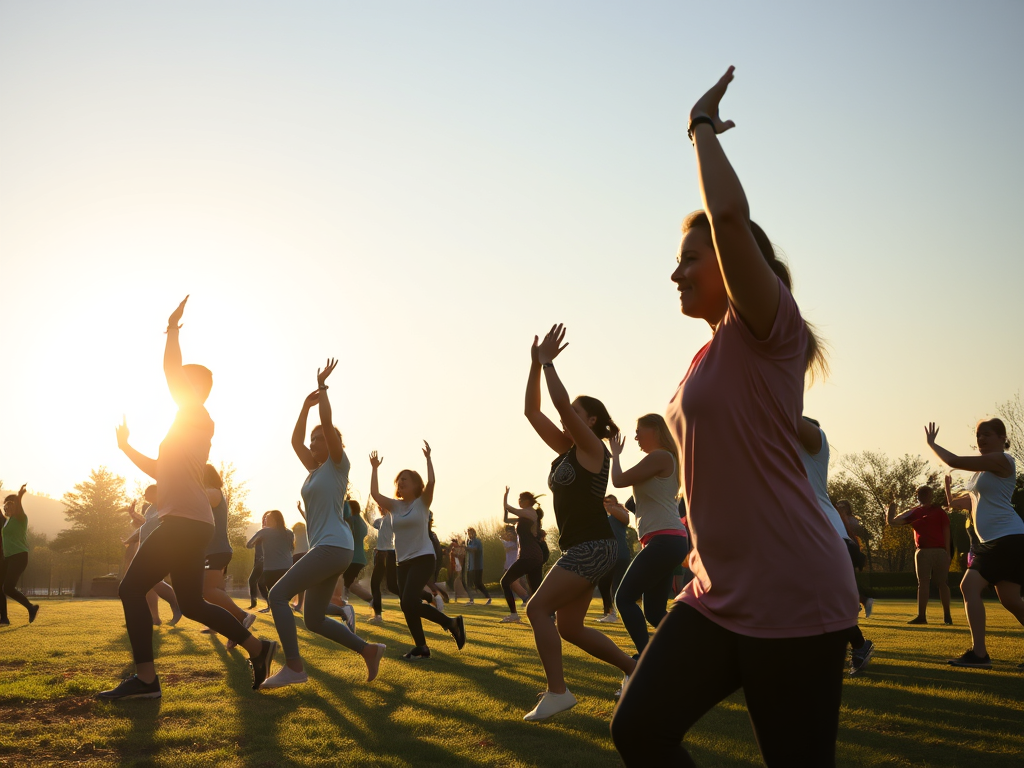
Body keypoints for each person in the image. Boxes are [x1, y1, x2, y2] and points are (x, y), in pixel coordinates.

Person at [610, 70, 859, 767]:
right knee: (639, 728)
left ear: (732, 262)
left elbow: (724, 218)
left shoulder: (769, 329)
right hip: (716, 591)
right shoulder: (707, 355)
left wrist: (701, 129)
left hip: (791, 585)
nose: (676, 274)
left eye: (690, 259)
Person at [100, 297, 275, 700]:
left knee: (130, 589)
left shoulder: (197, 414)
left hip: (185, 522)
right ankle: (258, 648)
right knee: (194, 603)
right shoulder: (183, 428)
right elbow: (160, 472)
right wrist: (126, 448)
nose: (176, 384)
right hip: (191, 522)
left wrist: (172, 328)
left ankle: (146, 681)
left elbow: (170, 372)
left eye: (182, 381)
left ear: (194, 388)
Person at [521, 324, 636, 722]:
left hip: (594, 545)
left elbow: (559, 406)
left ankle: (558, 692)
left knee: (537, 610)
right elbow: (532, 412)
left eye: (577, 414)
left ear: (590, 421)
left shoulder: (593, 448)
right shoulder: (567, 449)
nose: (570, 418)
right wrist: (535, 366)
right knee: (569, 627)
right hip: (583, 547)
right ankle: (635, 671)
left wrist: (550, 363)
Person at [261, 359, 386, 688]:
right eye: (314, 440)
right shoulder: (315, 470)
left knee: (276, 596)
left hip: (333, 546)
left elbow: (327, 423)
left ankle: (293, 667)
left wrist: (324, 389)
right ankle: (368, 650)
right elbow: (294, 442)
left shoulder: (336, 464)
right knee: (313, 618)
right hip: (331, 548)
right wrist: (304, 407)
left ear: (331, 445)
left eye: (320, 439)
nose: (314, 443)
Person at [926, 419, 1024, 669]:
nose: (981, 439)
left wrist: (932, 444)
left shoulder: (1003, 461)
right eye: (978, 435)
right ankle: (979, 654)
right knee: (1011, 600)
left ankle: (979, 654)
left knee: (969, 586)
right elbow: (965, 504)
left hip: (1007, 538)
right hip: (995, 542)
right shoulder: (980, 473)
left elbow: (955, 461)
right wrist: (949, 493)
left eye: (987, 435)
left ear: (1002, 438)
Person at [370, 443, 466, 660]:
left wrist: (428, 458)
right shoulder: (394, 506)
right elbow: (375, 493)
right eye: (398, 480)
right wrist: (375, 468)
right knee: (408, 605)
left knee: (408, 601)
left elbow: (432, 481)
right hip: (402, 561)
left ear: (415, 484)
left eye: (405, 479)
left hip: (423, 557)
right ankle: (422, 646)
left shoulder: (423, 502)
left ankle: (451, 623)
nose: (400, 482)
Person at [609, 415, 690, 665]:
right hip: (667, 540)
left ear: (654, 429)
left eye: (638, 431)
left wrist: (615, 455)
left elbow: (619, 480)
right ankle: (697, 648)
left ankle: (647, 660)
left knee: (623, 598)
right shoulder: (665, 458)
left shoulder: (661, 456)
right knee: (654, 612)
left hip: (665, 540)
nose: (635, 437)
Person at [798, 417, 876, 675]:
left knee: (824, 601)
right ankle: (854, 645)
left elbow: (785, 417)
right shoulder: (783, 454)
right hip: (804, 537)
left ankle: (858, 644)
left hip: (828, 536)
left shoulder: (817, 445)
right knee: (811, 600)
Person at [201, 464, 254, 640]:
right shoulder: (211, 492)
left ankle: (243, 616)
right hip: (213, 550)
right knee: (217, 591)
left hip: (217, 550)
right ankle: (224, 626)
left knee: (207, 590)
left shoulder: (213, 492)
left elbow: (197, 500)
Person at [886, 486, 952, 625]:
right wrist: (947, 552)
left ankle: (930, 616)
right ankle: (943, 616)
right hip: (932, 551)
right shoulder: (919, 512)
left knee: (927, 583)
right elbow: (893, 522)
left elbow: (893, 521)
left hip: (930, 551)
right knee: (938, 583)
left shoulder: (923, 512)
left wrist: (947, 552)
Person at [124, 489, 182, 626]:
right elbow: (146, 523)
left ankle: (176, 605)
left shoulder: (165, 505)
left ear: (157, 493)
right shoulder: (150, 508)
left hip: (158, 547)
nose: (144, 496)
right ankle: (154, 617)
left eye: (147, 493)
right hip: (146, 547)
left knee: (150, 581)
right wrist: (134, 515)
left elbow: (160, 524)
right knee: (148, 584)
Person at [500, 489, 546, 622]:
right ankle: (549, 615)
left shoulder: (530, 512)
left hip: (530, 556)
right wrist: (505, 506)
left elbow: (509, 508)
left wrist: (505, 496)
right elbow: (506, 519)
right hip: (532, 556)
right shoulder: (524, 516)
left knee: (505, 581)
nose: (519, 501)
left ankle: (514, 615)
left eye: (521, 499)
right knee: (536, 589)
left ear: (527, 501)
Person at [2, 484, 39, 624]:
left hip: (19, 556)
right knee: (6, 587)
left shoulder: (21, 518)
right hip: (9, 558)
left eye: (10, 504)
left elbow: (19, 507)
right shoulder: (9, 521)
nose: (7, 506)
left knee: (8, 588)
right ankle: (30, 608)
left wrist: (19, 495)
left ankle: (31, 608)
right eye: (6, 504)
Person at [246, 510, 294, 614]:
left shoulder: (263, 532)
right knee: (282, 594)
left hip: (271, 568)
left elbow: (248, 545)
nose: (265, 520)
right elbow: (291, 549)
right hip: (287, 568)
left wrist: (260, 540)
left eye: (267, 518)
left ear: (273, 520)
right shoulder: (289, 533)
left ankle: (275, 611)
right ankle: (283, 611)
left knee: (273, 593)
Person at [596, 495, 632, 624]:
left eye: (609, 502)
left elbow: (626, 519)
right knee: (604, 583)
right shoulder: (606, 518)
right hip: (608, 554)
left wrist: (610, 506)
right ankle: (609, 612)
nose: (606, 504)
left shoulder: (619, 513)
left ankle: (615, 613)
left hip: (619, 554)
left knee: (615, 585)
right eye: (605, 502)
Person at [835, 499, 874, 617]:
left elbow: (854, 533)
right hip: (841, 550)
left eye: (843, 506)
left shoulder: (851, 520)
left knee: (845, 579)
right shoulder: (837, 519)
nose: (840, 508)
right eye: (839, 506)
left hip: (849, 551)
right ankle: (858, 603)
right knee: (843, 580)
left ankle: (861, 601)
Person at [368, 505, 400, 624]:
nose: (380, 509)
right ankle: (413, 599)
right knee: (391, 585)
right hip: (385, 553)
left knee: (376, 584)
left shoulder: (390, 518)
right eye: (379, 507)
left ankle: (378, 616)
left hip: (385, 554)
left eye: (382, 507)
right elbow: (373, 522)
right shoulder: (381, 521)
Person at [247, 512, 270, 610]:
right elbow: (249, 545)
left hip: (265, 562)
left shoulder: (269, 534)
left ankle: (259, 602)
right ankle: (255, 602)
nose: (265, 520)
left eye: (267, 518)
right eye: (264, 518)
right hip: (259, 562)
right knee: (258, 582)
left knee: (260, 582)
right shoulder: (260, 533)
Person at [464, 528, 491, 605]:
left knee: (478, 583)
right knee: (468, 584)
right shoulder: (469, 542)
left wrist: (466, 548)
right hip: (470, 567)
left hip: (477, 566)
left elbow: (474, 549)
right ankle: (471, 600)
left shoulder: (477, 541)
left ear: (474, 533)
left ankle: (488, 597)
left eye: (471, 533)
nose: (470, 535)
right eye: (469, 533)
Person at [290, 518, 309, 612]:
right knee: (300, 582)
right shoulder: (306, 532)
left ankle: (300, 603)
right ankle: (299, 603)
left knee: (300, 582)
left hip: (300, 556)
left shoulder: (301, 533)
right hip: (303, 555)